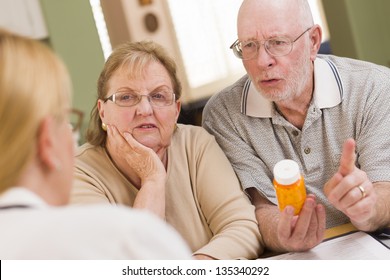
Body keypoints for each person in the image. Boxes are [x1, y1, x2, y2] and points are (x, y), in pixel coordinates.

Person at [202, 0, 390, 253]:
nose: (262, 61)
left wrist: (369, 206)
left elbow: (385, 188)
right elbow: (260, 208)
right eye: (249, 45)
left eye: (278, 42)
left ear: (313, 42)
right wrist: (284, 233)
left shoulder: (374, 87)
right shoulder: (223, 114)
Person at [0, 28, 192, 259]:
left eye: (158, 96)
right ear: (48, 140)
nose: (144, 110)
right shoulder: (123, 241)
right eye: (65, 119)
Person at [70, 40, 264, 260]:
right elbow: (126, 262)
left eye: (158, 96)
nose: (144, 109)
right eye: (126, 97)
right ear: (103, 111)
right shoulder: (78, 173)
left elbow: (242, 226)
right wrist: (152, 179)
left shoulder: (196, 144)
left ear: (175, 110)